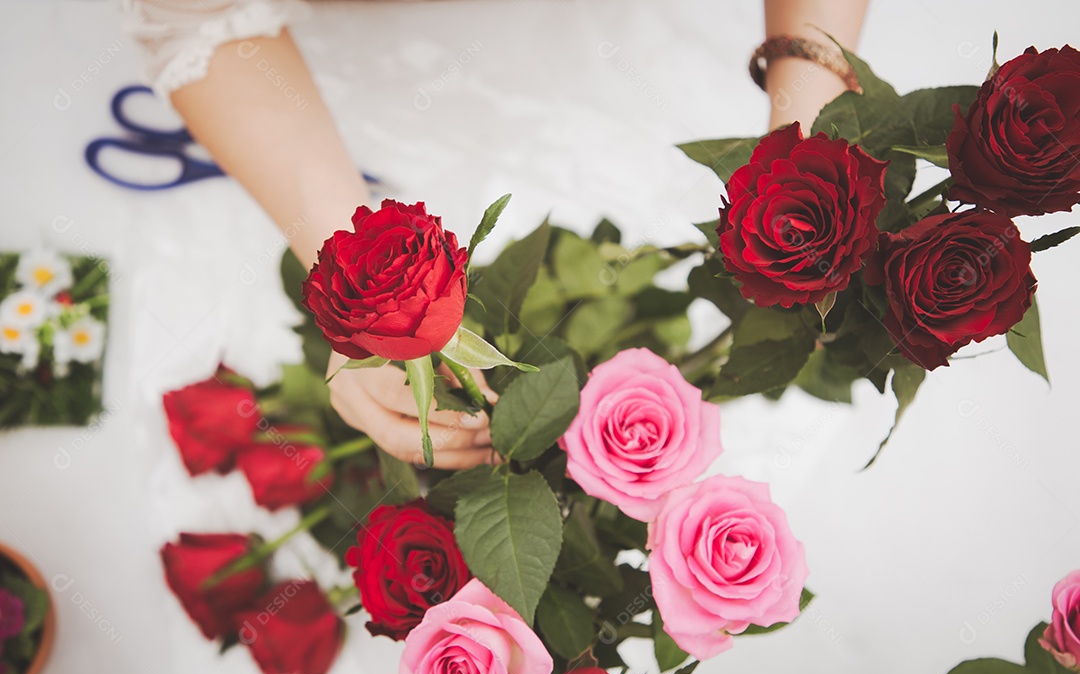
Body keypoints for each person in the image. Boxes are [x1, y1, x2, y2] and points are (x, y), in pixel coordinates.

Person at [119, 0, 868, 468]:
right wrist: (364, 290)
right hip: (332, 89)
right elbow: (193, 16)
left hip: (658, 56)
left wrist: (799, 160)